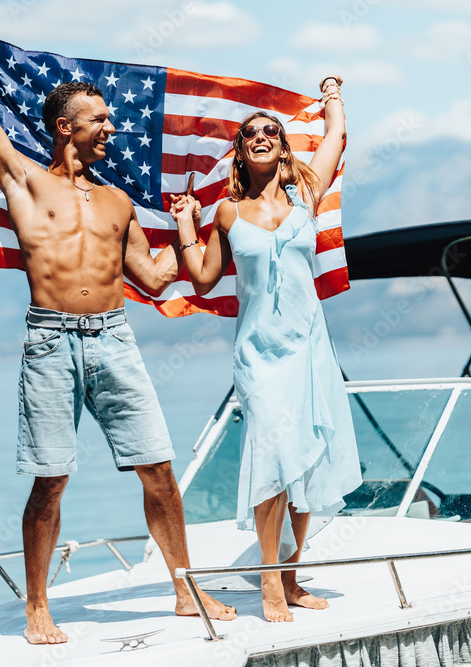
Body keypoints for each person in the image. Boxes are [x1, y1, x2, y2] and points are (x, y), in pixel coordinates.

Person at [0, 18, 236, 644]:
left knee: (158, 468)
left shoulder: (117, 202)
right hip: (51, 340)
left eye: (111, 119)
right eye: (100, 120)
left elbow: (157, 278)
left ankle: (185, 590)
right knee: (50, 477)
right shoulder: (25, 181)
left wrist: (203, 225)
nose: (113, 128)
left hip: (114, 338)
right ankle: (37, 606)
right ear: (66, 128)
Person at [170, 77, 361, 622]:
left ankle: (293, 576)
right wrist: (186, 223)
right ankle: (271, 586)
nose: (261, 135)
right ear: (241, 151)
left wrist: (331, 94)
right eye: (250, 132)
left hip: (309, 347)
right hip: (259, 355)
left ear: (281, 147)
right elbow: (204, 279)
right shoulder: (228, 213)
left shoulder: (308, 196)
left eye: (270, 131)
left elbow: (337, 134)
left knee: (307, 459)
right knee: (271, 460)